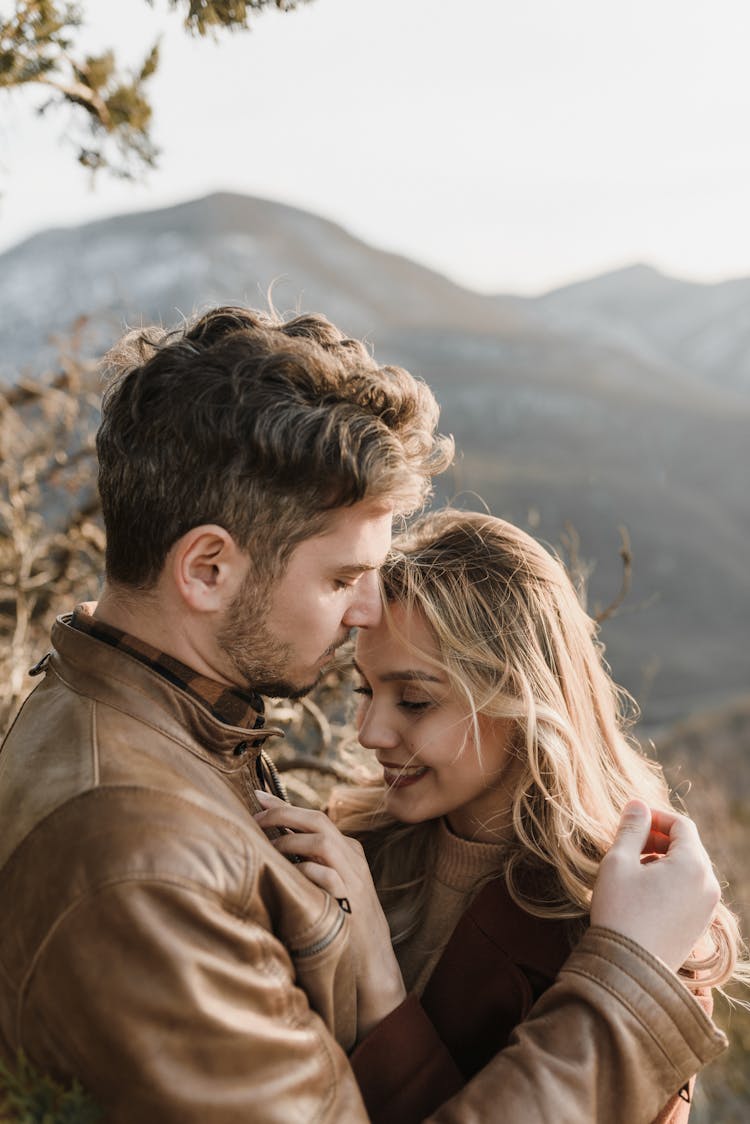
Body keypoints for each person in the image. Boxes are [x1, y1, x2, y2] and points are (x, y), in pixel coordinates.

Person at [0, 308, 727, 1123]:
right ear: (206, 569)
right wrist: (627, 983)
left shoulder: (171, 734)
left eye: (414, 697)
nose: (364, 612)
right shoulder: (143, 860)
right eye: (343, 578)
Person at [255, 508, 746, 1123]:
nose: (370, 732)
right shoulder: (354, 851)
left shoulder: (631, 926)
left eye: (414, 700)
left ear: (521, 700)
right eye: (364, 690)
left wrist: (380, 982)